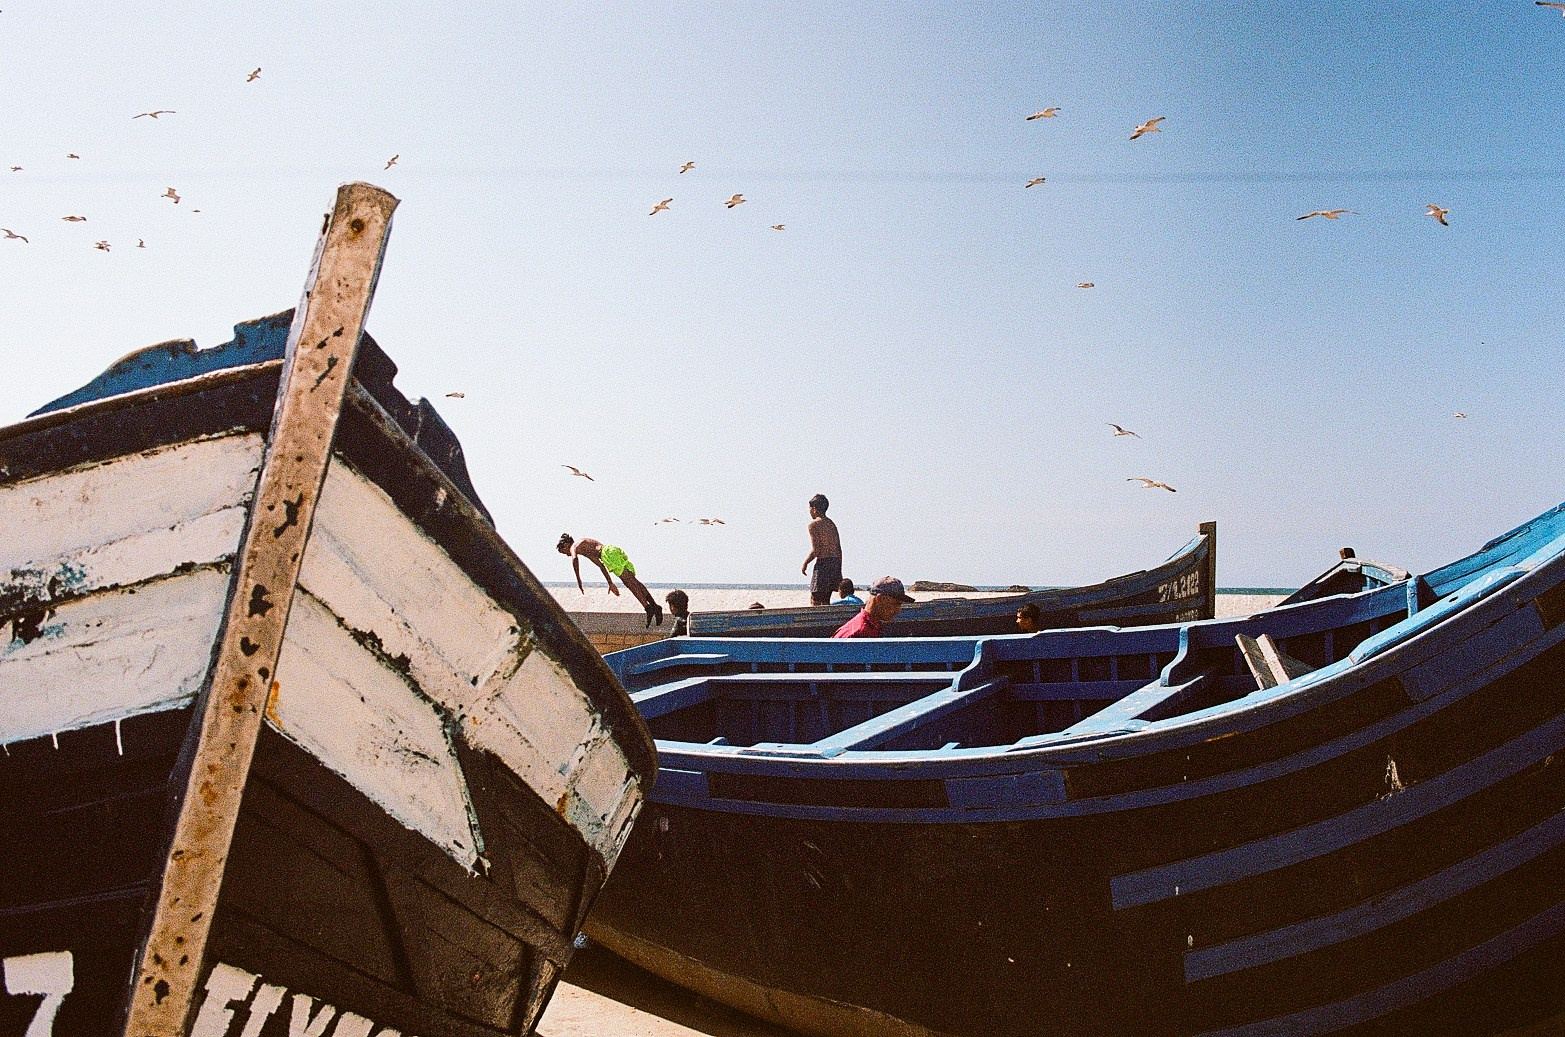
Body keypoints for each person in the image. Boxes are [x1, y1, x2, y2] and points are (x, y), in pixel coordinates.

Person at [557, 534, 664, 628]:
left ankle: (649, 608)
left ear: (566, 545)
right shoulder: (586, 549)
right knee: (632, 581)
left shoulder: (574, 545)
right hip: (609, 553)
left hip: (608, 554)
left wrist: (579, 580)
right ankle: (653, 606)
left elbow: (574, 559)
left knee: (630, 582)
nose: (567, 555)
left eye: (564, 552)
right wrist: (610, 583)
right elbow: (601, 566)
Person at [832, 576, 916, 638]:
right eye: (896, 604)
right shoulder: (859, 633)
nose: (898, 610)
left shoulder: (871, 626)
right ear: (880, 599)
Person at [801, 493, 842, 606]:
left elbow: (816, 550)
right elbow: (838, 549)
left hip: (823, 564)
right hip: (834, 563)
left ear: (814, 509)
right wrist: (839, 569)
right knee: (826, 600)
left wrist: (805, 563)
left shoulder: (814, 525)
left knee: (816, 599)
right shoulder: (831, 524)